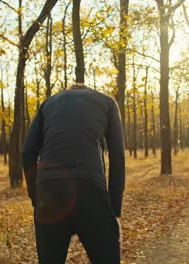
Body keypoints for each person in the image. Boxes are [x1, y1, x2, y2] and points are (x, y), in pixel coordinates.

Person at [22, 83, 125, 264]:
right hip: (90, 190)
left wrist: (36, 198)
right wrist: (114, 212)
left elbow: (28, 153)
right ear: (88, 90)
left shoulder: (47, 104)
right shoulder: (107, 103)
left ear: (67, 92)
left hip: (49, 193)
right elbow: (117, 157)